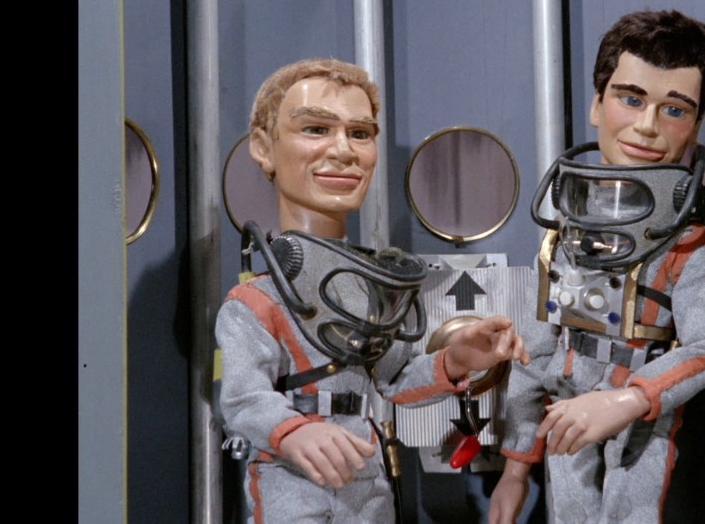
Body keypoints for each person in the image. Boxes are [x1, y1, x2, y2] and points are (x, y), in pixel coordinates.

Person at [215, 58, 529, 523]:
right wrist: (291, 430)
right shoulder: (256, 302)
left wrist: (457, 359)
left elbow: (395, 380)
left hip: (367, 479)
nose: (343, 151)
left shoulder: (372, 291)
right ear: (263, 147)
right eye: (316, 129)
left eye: (360, 133)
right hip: (290, 481)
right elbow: (242, 398)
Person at [489, 10, 705, 524]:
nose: (647, 126)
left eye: (674, 109)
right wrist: (515, 467)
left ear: (696, 125)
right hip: (566, 404)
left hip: (642, 418)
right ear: (597, 104)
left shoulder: (688, 248)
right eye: (631, 99)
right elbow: (534, 352)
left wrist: (630, 400)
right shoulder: (563, 237)